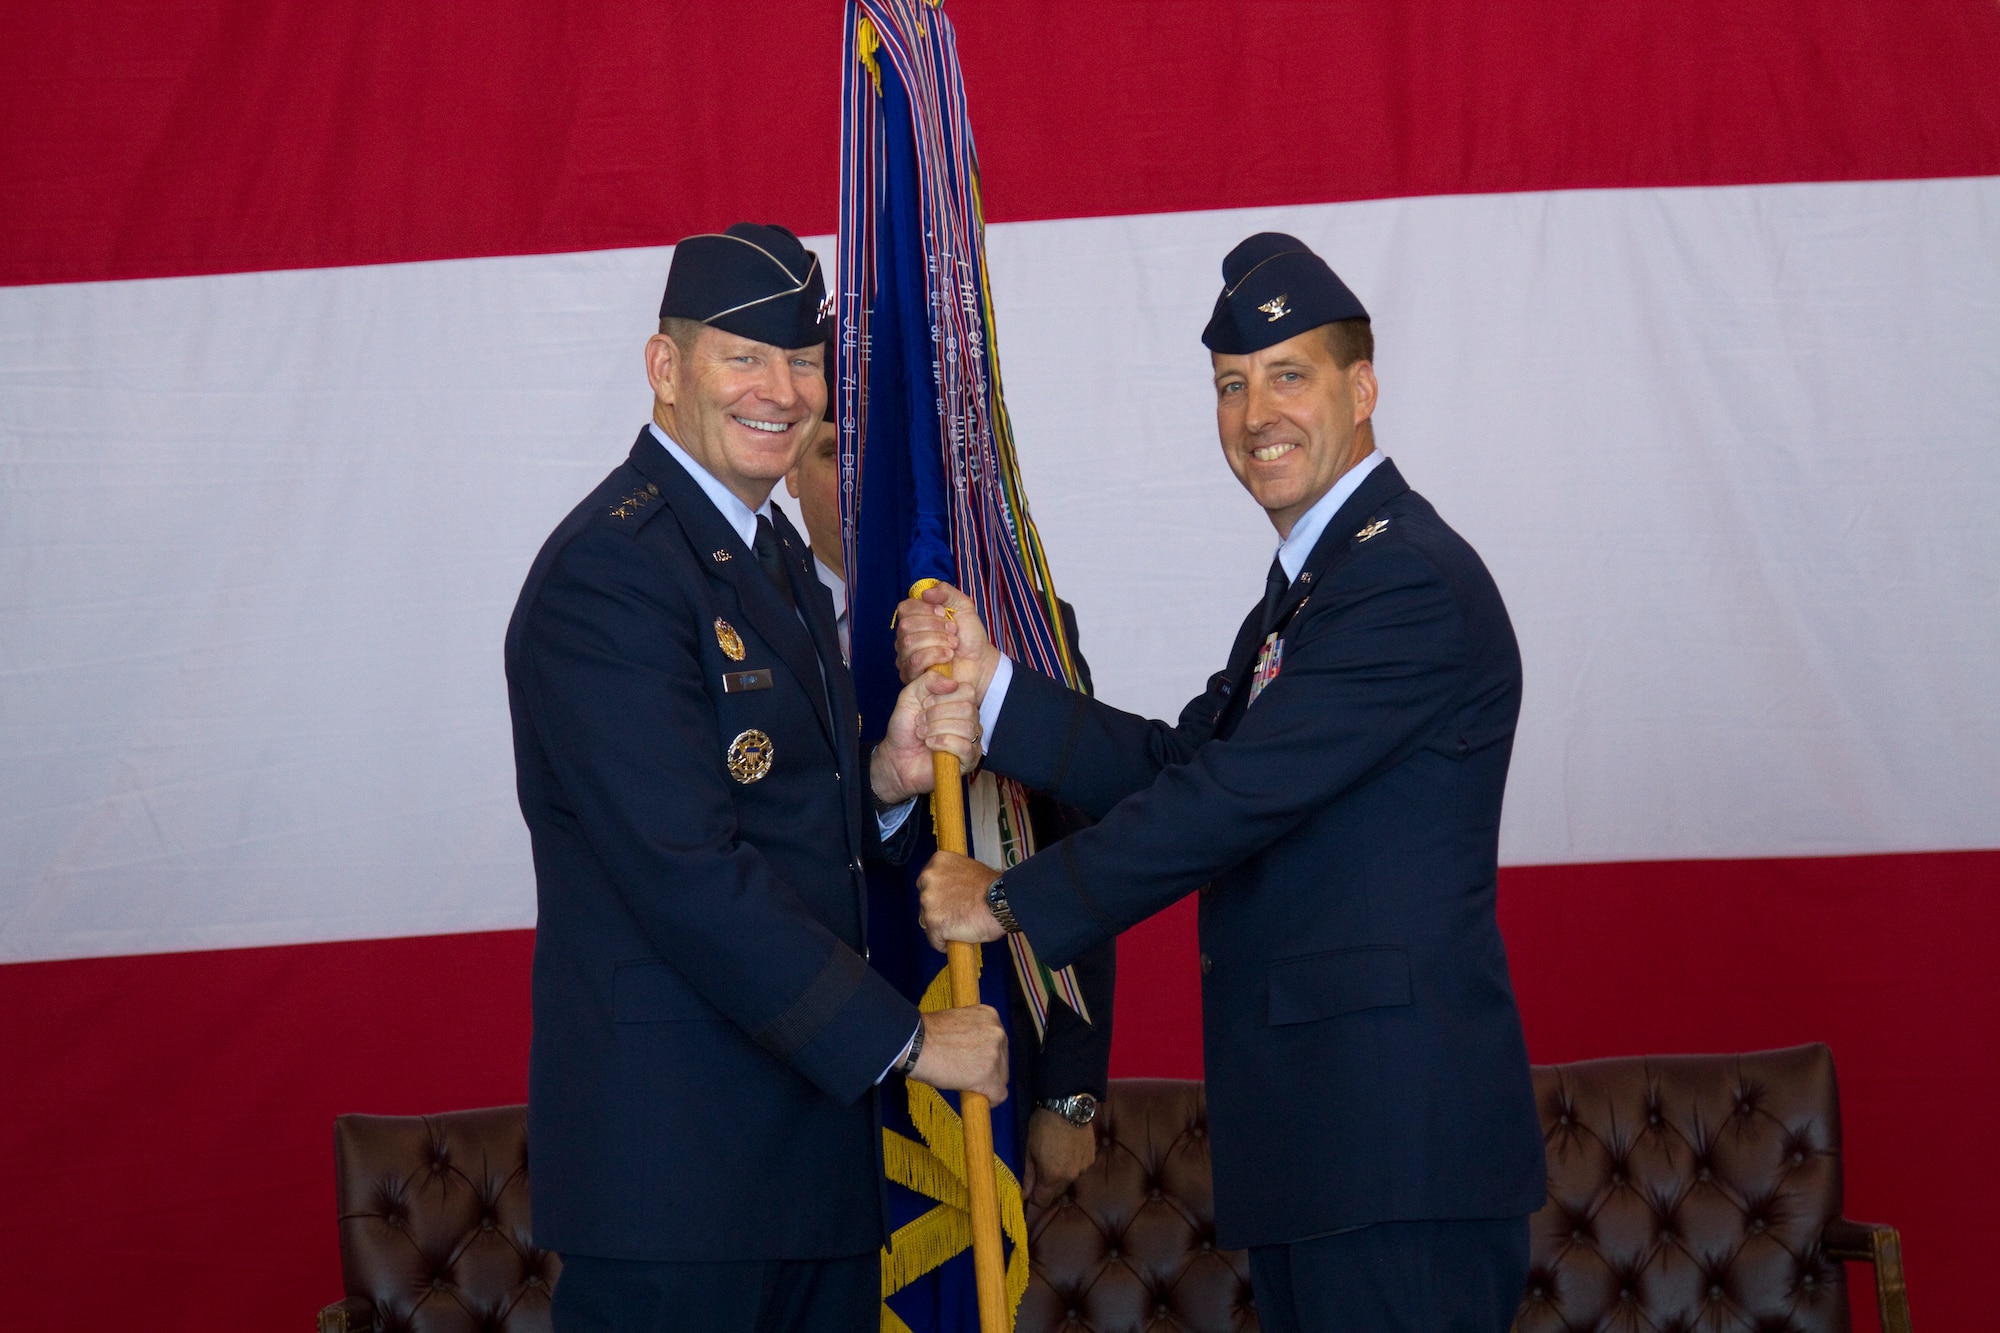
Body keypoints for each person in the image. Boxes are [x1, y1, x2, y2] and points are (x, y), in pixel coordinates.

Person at [899, 234, 1545, 1332]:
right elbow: (1187, 766)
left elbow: (1228, 802)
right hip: (1325, 1151)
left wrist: (1007, 902)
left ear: (1363, 386)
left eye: (1288, 375)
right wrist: (998, 690)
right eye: (1230, 386)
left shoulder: (1403, 582)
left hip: (1394, 1157)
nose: (1255, 414)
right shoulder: (1316, 586)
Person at [504, 222, 1008, 1333]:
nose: (781, 390)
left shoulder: (768, 554)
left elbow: (786, 822)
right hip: (677, 1181)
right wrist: (912, 1042)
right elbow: (688, 873)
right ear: (665, 367)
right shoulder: (611, 575)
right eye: (742, 356)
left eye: (800, 361)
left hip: (801, 1167)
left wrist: (882, 776)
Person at [787, 408, 1117, 1206]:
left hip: (987, 1058)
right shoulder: (751, 626)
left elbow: (1078, 856)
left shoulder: (1015, 630)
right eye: (833, 452)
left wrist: (1069, 1091)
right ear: (790, 477)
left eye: (881, 452)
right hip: (802, 1069)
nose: (861, 479)